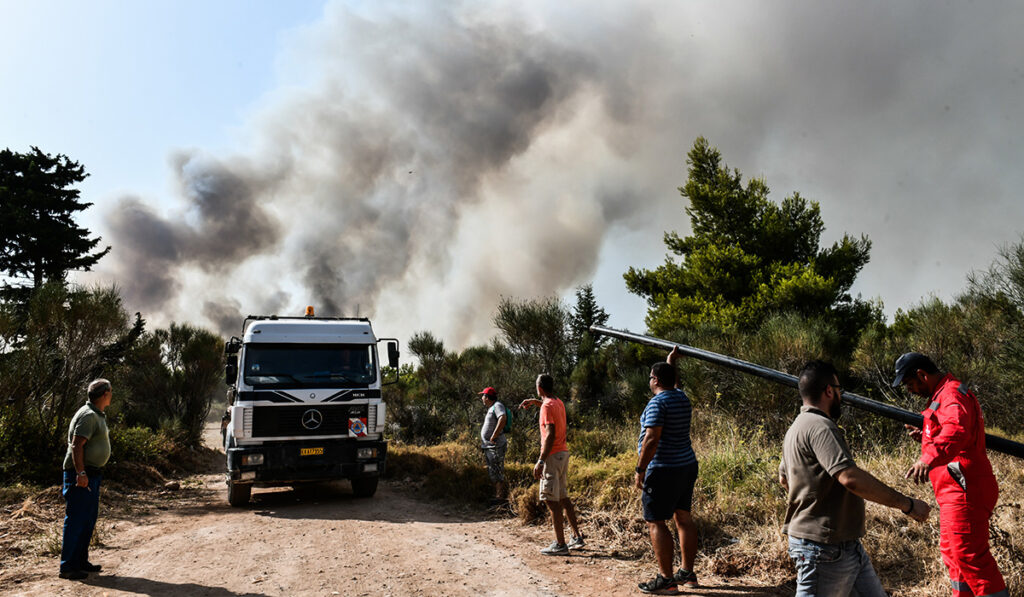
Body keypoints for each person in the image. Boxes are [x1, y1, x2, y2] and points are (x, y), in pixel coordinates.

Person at [779, 361, 930, 597]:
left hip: (844, 545)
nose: (841, 395)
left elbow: (785, 480)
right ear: (829, 390)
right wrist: (907, 505)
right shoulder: (821, 427)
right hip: (824, 549)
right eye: (839, 389)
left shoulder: (796, 428)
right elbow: (850, 478)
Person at [894, 352, 1008, 597]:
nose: (910, 390)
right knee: (954, 556)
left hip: (964, 489)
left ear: (922, 375)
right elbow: (947, 429)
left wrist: (926, 457)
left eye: (910, 384)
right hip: (954, 490)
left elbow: (957, 429)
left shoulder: (951, 393)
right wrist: (926, 434)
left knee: (969, 557)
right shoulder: (942, 394)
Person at [635, 350, 700, 595]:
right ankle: (687, 573)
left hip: (663, 469)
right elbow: (677, 384)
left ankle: (667, 580)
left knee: (655, 520)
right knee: (683, 518)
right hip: (686, 466)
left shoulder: (657, 403)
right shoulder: (681, 398)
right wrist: (671, 363)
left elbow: (651, 439)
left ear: (656, 381)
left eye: (651, 377)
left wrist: (640, 469)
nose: (650, 380)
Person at [519, 373, 584, 555]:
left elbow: (550, 433)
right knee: (563, 497)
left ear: (540, 388)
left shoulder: (547, 406)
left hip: (552, 456)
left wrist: (541, 460)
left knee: (551, 500)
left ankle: (560, 544)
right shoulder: (557, 402)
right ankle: (576, 537)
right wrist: (535, 402)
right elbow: (548, 408)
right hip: (563, 454)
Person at [59, 379, 113, 580]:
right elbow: (76, 445)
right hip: (81, 475)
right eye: (111, 392)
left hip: (91, 474)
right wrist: (81, 474)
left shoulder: (96, 414)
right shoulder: (89, 415)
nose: (111, 395)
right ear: (105, 394)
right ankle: (68, 567)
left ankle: (80, 561)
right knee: (76, 520)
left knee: (88, 520)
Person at [477, 386, 508, 502]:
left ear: (487, 397)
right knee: (493, 469)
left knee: (497, 469)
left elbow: (503, 418)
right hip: (490, 446)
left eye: (483, 396)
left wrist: (494, 435)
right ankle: (497, 496)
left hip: (496, 445)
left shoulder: (497, 405)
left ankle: (500, 498)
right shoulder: (492, 408)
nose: (482, 398)